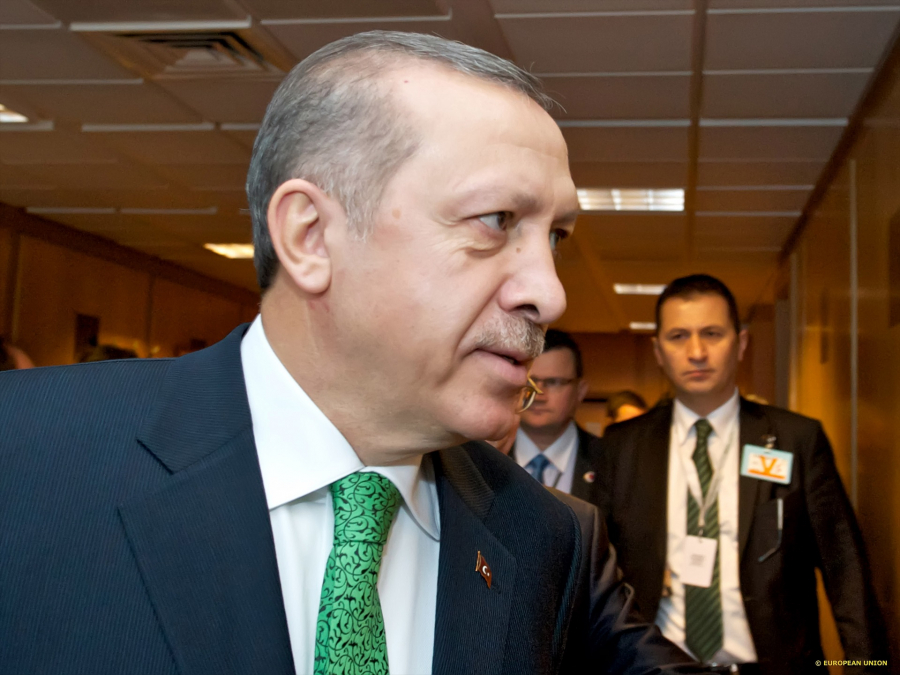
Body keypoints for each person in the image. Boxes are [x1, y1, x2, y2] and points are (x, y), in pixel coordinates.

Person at [0, 32, 704, 675]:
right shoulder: (26, 457)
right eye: (496, 221)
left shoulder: (546, 535)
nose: (549, 294)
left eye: (555, 238)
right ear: (310, 237)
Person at [597, 274, 887, 674]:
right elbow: (598, 577)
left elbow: (845, 572)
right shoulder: (621, 447)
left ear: (741, 343)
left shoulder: (795, 439)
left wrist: (867, 666)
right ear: (658, 351)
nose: (697, 352)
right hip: (655, 667)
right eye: (679, 336)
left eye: (712, 334)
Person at [513, 329, 604, 505]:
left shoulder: (608, 461)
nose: (538, 395)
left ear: (580, 391)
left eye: (553, 382)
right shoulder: (483, 456)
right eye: (529, 382)